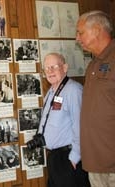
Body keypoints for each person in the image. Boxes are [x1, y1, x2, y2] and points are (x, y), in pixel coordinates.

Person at [36, 53, 90, 187]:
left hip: (69, 158)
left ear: (65, 68)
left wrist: (74, 158)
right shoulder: (51, 91)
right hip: (55, 158)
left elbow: (81, 126)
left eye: (54, 67)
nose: (50, 71)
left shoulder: (73, 90)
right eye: (46, 68)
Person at [76, 10, 115, 187]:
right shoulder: (93, 64)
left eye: (80, 32)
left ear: (97, 30)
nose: (77, 38)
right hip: (96, 162)